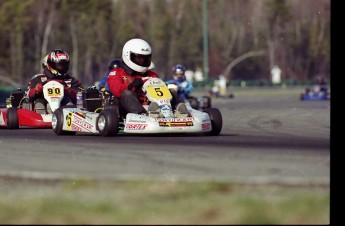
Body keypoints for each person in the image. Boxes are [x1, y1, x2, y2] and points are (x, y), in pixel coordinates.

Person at [107, 38, 187, 117]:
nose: (142, 61)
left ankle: (178, 112)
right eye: (139, 58)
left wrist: (164, 86)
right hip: (126, 109)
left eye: (145, 58)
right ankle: (142, 115)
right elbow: (117, 91)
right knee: (127, 93)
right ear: (128, 55)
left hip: (152, 105)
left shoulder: (152, 74)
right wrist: (131, 86)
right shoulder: (116, 73)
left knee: (171, 91)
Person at [27, 49, 83, 113]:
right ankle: (41, 114)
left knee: (67, 101)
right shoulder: (37, 79)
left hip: (64, 113)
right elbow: (28, 96)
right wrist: (36, 90)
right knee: (39, 102)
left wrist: (69, 91)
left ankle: (67, 116)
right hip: (42, 109)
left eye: (64, 65)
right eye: (59, 65)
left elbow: (81, 98)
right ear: (51, 64)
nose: (62, 68)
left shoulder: (72, 81)